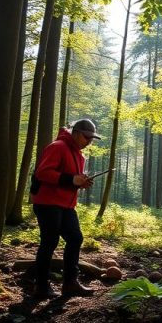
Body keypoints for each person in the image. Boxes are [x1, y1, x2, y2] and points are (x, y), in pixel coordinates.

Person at [28, 119, 101, 298]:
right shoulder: (57, 146)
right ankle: (41, 286)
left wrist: (80, 183)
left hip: (66, 205)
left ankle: (70, 283)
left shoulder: (80, 156)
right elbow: (43, 173)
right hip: (47, 203)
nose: (89, 141)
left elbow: (70, 180)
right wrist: (71, 179)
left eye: (92, 139)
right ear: (75, 133)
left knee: (75, 238)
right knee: (50, 241)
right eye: (87, 137)